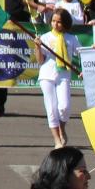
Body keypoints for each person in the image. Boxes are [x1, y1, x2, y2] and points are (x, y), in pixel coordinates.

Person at [35, 8, 80, 147]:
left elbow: (82, 54)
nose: (56, 24)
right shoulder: (45, 37)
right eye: (53, 21)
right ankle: (56, 139)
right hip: (47, 75)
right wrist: (37, 47)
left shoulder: (71, 38)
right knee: (51, 109)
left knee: (64, 107)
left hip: (64, 75)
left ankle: (62, 128)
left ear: (65, 23)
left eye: (59, 22)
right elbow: (40, 60)